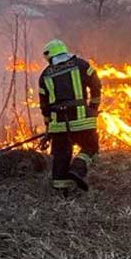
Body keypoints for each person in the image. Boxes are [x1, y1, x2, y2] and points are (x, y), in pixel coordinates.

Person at [37, 39, 100, 192]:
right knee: (90, 147)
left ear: (50, 57)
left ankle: (61, 190)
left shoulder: (45, 75)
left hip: (58, 125)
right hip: (82, 121)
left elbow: (44, 106)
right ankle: (78, 168)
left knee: (61, 155)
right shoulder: (82, 65)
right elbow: (96, 84)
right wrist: (93, 107)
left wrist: (48, 126)